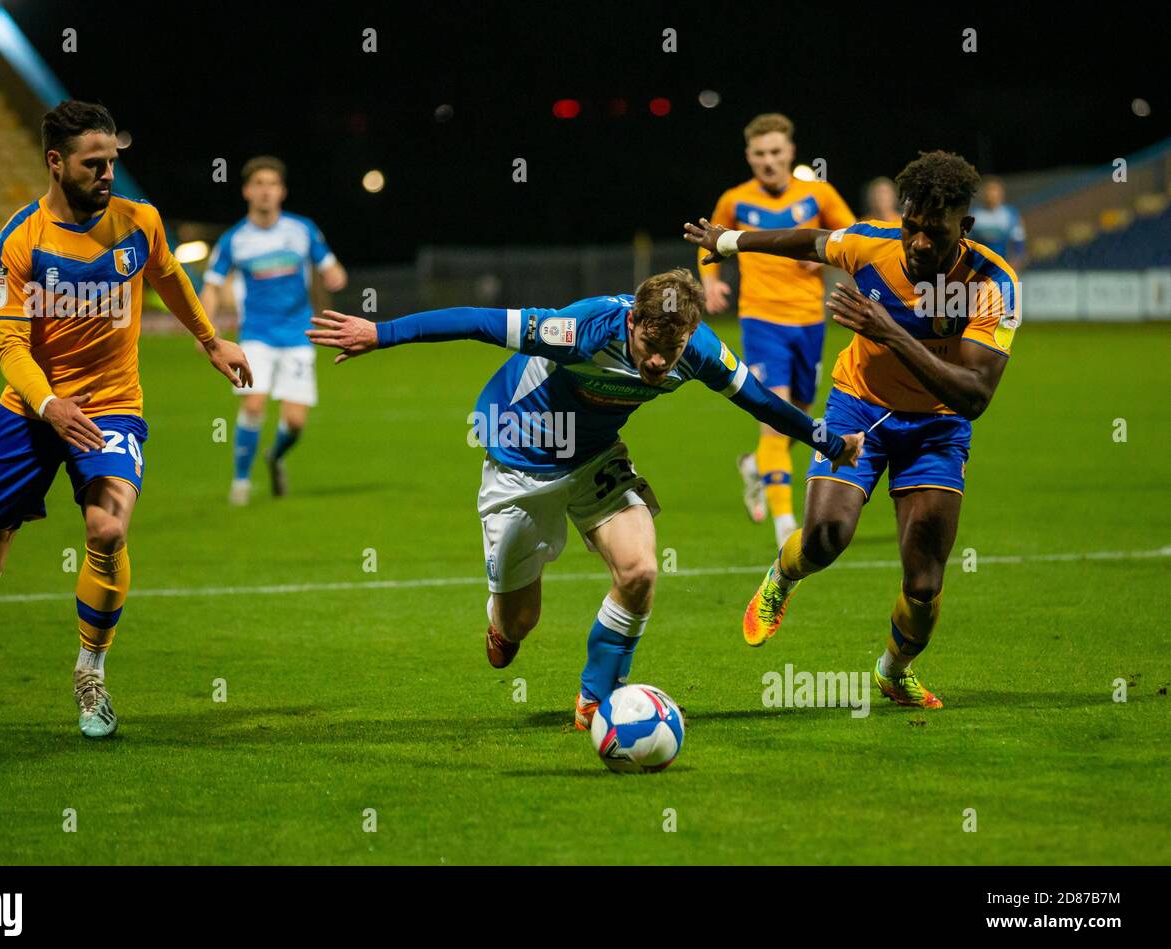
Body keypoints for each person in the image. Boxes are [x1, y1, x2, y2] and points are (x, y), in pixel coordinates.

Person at [308, 270, 862, 727]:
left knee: (641, 570)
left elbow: (761, 402)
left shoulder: (698, 350)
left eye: (671, 350)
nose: (658, 364)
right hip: (520, 459)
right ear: (632, 320)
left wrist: (830, 443)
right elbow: (477, 322)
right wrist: (379, 334)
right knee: (519, 624)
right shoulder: (578, 328)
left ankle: (596, 704)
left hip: (596, 457)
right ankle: (501, 620)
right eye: (650, 346)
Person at [0, 101, 251, 737]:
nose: (107, 173)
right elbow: (11, 346)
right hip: (31, 410)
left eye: (112, 162)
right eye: (93, 164)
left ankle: (90, 671)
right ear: (56, 162)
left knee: (106, 530)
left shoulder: (140, 222)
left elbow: (172, 277)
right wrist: (48, 404)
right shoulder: (20, 241)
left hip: (111, 406)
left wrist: (211, 340)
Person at [686, 150, 1020, 709]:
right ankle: (781, 578)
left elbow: (974, 395)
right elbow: (811, 240)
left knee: (923, 584)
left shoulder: (991, 283)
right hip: (859, 407)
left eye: (932, 232)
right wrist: (729, 243)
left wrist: (890, 332)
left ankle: (892, 671)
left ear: (963, 227)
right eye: (911, 226)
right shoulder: (872, 243)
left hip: (938, 430)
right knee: (825, 538)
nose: (917, 242)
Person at [699, 113, 856, 548]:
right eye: (760, 154)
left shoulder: (817, 193)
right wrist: (711, 282)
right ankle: (786, 523)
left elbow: (851, 234)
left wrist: (824, 255)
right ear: (749, 156)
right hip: (761, 319)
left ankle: (755, 466)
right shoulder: (734, 200)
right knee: (775, 419)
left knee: (798, 418)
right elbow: (710, 241)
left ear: (790, 151)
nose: (768, 161)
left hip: (810, 322)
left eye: (775, 152)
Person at [200, 156, 347, 505]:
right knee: (253, 405)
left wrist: (335, 275)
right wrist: (204, 333)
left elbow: (331, 266)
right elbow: (211, 285)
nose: (266, 191)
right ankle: (241, 483)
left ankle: (275, 456)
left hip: (298, 334)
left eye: (272, 184)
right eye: (259, 184)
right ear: (247, 191)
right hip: (256, 335)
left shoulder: (302, 230)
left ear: (282, 192)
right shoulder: (235, 239)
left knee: (295, 422)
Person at [968, 177, 1027, 272]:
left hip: (1003, 266)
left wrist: (1015, 263)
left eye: (994, 191)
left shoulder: (1010, 214)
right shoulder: (974, 215)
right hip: (979, 268)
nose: (991, 195)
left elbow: (1018, 242)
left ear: (1001, 195)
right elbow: (967, 242)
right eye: (988, 191)